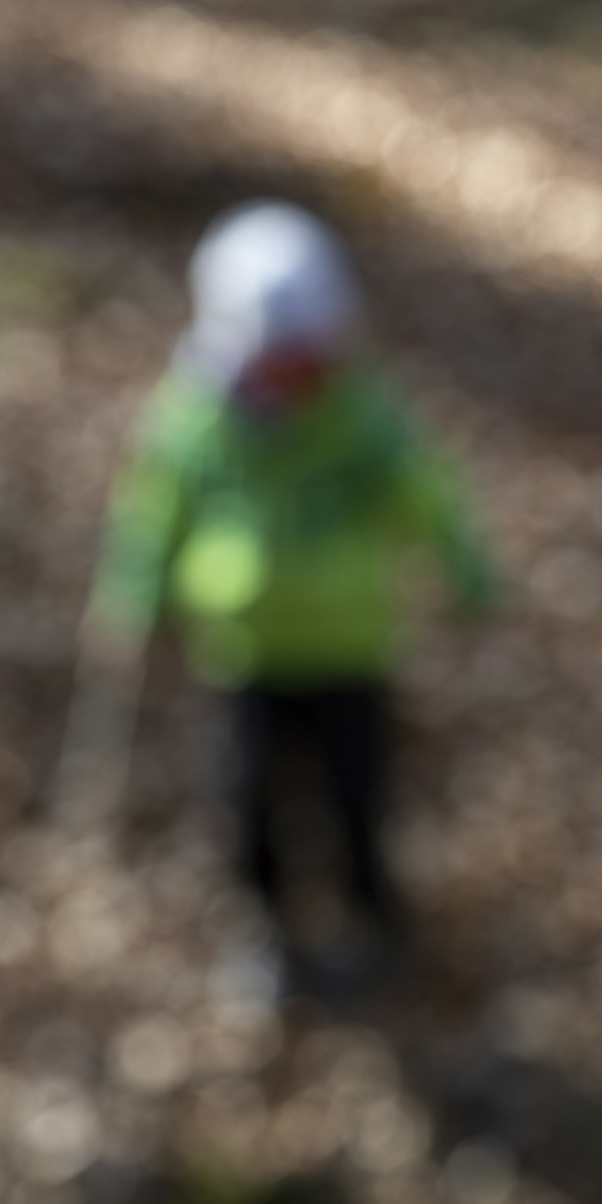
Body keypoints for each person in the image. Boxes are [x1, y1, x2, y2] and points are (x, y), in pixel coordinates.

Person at [82, 200, 498, 999]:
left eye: (309, 358)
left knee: (357, 802)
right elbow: (154, 508)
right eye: (281, 360)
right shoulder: (197, 419)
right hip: (246, 657)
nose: (296, 376)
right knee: (248, 806)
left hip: (352, 651)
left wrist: (465, 566)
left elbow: (426, 494)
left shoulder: (360, 416)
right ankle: (270, 934)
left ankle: (373, 927)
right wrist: (135, 591)